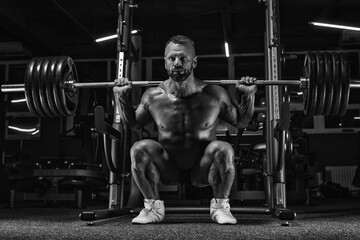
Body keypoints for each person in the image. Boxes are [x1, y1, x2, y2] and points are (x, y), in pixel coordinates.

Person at [113, 35, 257, 225]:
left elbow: (241, 122)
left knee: (223, 149)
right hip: (167, 168)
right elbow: (132, 124)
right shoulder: (153, 96)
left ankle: (221, 207)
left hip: (203, 170)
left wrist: (248, 96)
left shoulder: (213, 94)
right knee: (139, 148)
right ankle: (152, 208)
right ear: (165, 63)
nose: (177, 63)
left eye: (183, 58)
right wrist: (122, 97)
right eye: (172, 58)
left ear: (194, 62)